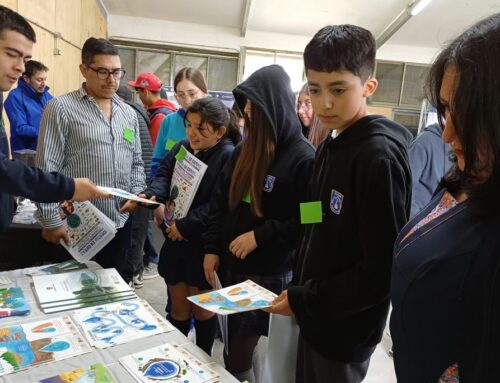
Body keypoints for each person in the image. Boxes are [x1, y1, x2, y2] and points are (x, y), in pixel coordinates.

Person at [268, 25, 412, 383]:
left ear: (368, 86)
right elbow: (315, 213)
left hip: (346, 329)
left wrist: (306, 296)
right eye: (314, 90)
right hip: (315, 312)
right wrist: (298, 274)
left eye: (338, 89)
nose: (324, 103)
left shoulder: (377, 158)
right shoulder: (332, 144)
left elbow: (379, 273)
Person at [390, 13, 500, 383]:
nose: (447, 133)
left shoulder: (375, 153)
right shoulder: (325, 151)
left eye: (464, 112)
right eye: (445, 108)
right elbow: (317, 216)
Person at [203, 65, 315, 382]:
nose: (248, 113)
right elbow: (219, 205)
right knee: (233, 355)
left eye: (254, 107)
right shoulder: (242, 152)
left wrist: (261, 235)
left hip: (273, 275)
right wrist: (212, 248)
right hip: (233, 271)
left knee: (258, 358)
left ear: (274, 106)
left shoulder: (304, 158)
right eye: (245, 108)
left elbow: (311, 220)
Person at [128, 97, 241, 355]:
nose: (192, 133)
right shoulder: (182, 148)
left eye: (201, 128)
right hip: (175, 241)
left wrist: (187, 226)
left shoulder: (228, 156)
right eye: (189, 125)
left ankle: (203, 358)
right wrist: (151, 196)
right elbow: (164, 175)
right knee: (178, 307)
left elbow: (219, 204)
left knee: (203, 310)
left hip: (203, 245)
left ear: (220, 131)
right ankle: (177, 359)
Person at [35, 37, 146, 277]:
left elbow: (136, 162)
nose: (111, 79)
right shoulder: (61, 108)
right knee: (72, 293)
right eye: (102, 71)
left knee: (109, 294)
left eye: (116, 71)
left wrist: (137, 194)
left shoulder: (128, 114)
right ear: (84, 69)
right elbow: (46, 169)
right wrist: (50, 220)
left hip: (118, 223)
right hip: (75, 225)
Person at [0, 5, 109, 233]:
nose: (19, 67)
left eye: (25, 58)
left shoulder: (47, 97)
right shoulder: (15, 97)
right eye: (11, 54)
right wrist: (67, 186)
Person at [146, 67, 208, 279]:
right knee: (175, 277)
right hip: (173, 205)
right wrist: (158, 203)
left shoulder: (216, 123)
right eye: (180, 95)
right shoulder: (169, 122)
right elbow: (158, 166)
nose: (187, 100)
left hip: (202, 217)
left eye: (192, 93)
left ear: (203, 91)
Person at [116, 84, 154, 289]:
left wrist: (138, 191)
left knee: (134, 236)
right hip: (139, 187)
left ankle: (129, 277)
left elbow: (135, 157)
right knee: (137, 236)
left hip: (138, 188)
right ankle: (136, 271)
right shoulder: (136, 114)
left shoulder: (129, 116)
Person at [4, 59, 52, 151]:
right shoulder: (15, 97)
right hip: (26, 154)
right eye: (39, 80)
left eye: (45, 79)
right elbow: (20, 128)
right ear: (26, 78)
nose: (44, 84)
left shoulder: (47, 95)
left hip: (47, 151)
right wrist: (47, 131)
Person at [408, 122, 452, 217]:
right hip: (419, 222)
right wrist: (417, 221)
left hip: (439, 221)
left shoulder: (458, 147)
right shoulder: (423, 142)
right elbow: (406, 189)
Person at [127, 72, 177, 146]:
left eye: (139, 93)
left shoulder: (160, 116)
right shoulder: (165, 110)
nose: (139, 96)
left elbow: (151, 147)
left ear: (146, 92)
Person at [297, 83, 328, 148]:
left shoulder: (329, 141)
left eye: (307, 103)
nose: (300, 111)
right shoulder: (298, 136)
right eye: (299, 104)